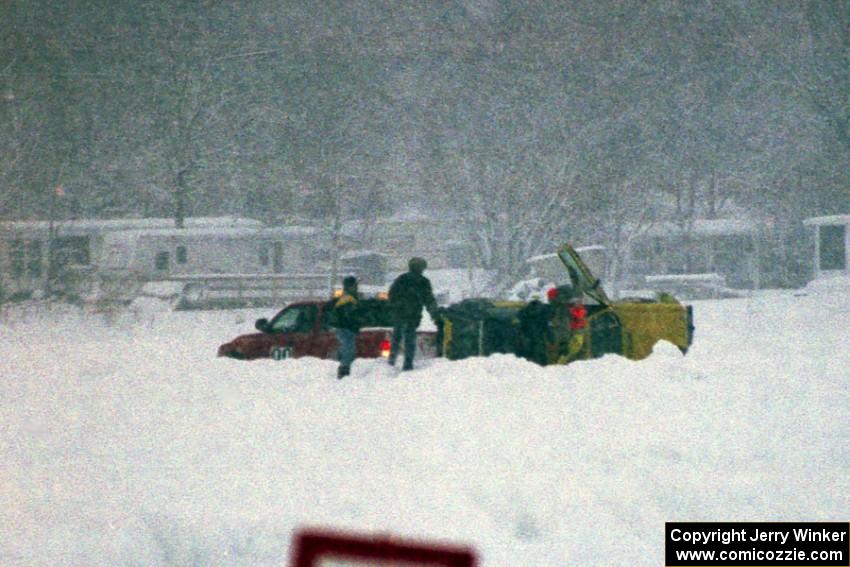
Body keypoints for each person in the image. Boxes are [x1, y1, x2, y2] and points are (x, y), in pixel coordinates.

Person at [388, 257, 440, 371]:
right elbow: (429, 300)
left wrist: (396, 307)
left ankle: (391, 360)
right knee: (409, 339)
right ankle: (408, 363)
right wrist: (435, 314)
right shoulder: (423, 282)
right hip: (413, 315)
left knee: (397, 337)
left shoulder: (401, 279)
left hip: (400, 313)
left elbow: (391, 295)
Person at [330, 275, 361, 379]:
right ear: (350, 286)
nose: (356, 287)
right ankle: (344, 370)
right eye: (355, 285)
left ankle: (344, 368)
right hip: (346, 329)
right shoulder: (348, 299)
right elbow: (350, 316)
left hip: (344, 328)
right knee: (348, 349)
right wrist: (356, 323)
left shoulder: (345, 298)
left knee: (347, 348)